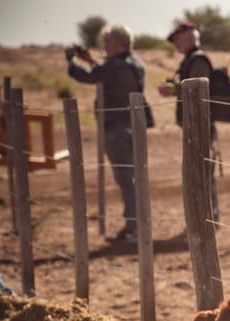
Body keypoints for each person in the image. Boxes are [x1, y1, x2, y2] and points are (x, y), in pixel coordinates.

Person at [66, 24, 145, 244]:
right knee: (134, 178)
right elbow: (104, 74)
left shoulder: (115, 65)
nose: (105, 46)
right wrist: (89, 60)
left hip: (116, 129)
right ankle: (136, 226)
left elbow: (88, 76)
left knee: (126, 179)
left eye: (107, 42)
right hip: (133, 126)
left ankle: (134, 229)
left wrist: (71, 60)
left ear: (118, 43)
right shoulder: (135, 63)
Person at [159, 21, 217, 221]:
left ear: (190, 38)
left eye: (178, 40)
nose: (175, 44)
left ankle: (209, 217)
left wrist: (174, 89)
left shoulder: (198, 59)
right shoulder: (191, 59)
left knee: (203, 172)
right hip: (195, 124)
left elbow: (197, 89)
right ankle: (205, 217)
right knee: (198, 171)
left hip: (201, 125)